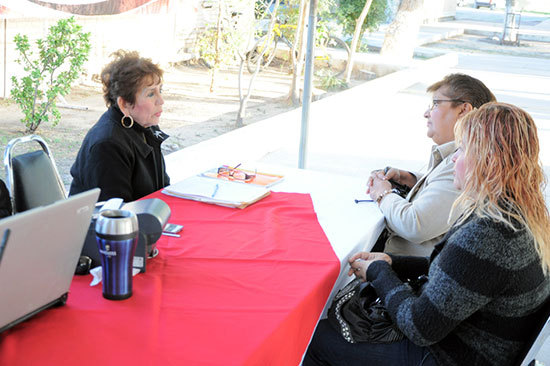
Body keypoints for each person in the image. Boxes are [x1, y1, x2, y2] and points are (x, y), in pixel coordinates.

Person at [304, 102, 550, 366]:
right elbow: (460, 276)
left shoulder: (489, 235)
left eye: (463, 149)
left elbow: (420, 327)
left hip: (452, 356)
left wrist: (379, 274)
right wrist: (392, 263)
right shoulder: (519, 213)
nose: (454, 158)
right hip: (481, 345)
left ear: (488, 160)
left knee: (312, 338)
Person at [367, 73, 496, 256]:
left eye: (435, 104)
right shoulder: (462, 155)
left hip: (408, 272)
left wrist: (382, 193)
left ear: (463, 110)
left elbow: (414, 225)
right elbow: (444, 191)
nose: (426, 113)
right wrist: (411, 179)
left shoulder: (465, 164)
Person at [69, 50, 170, 202]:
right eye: (151, 94)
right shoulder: (108, 144)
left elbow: (161, 188)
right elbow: (115, 213)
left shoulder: (145, 126)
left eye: (160, 91)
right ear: (124, 104)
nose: (161, 100)